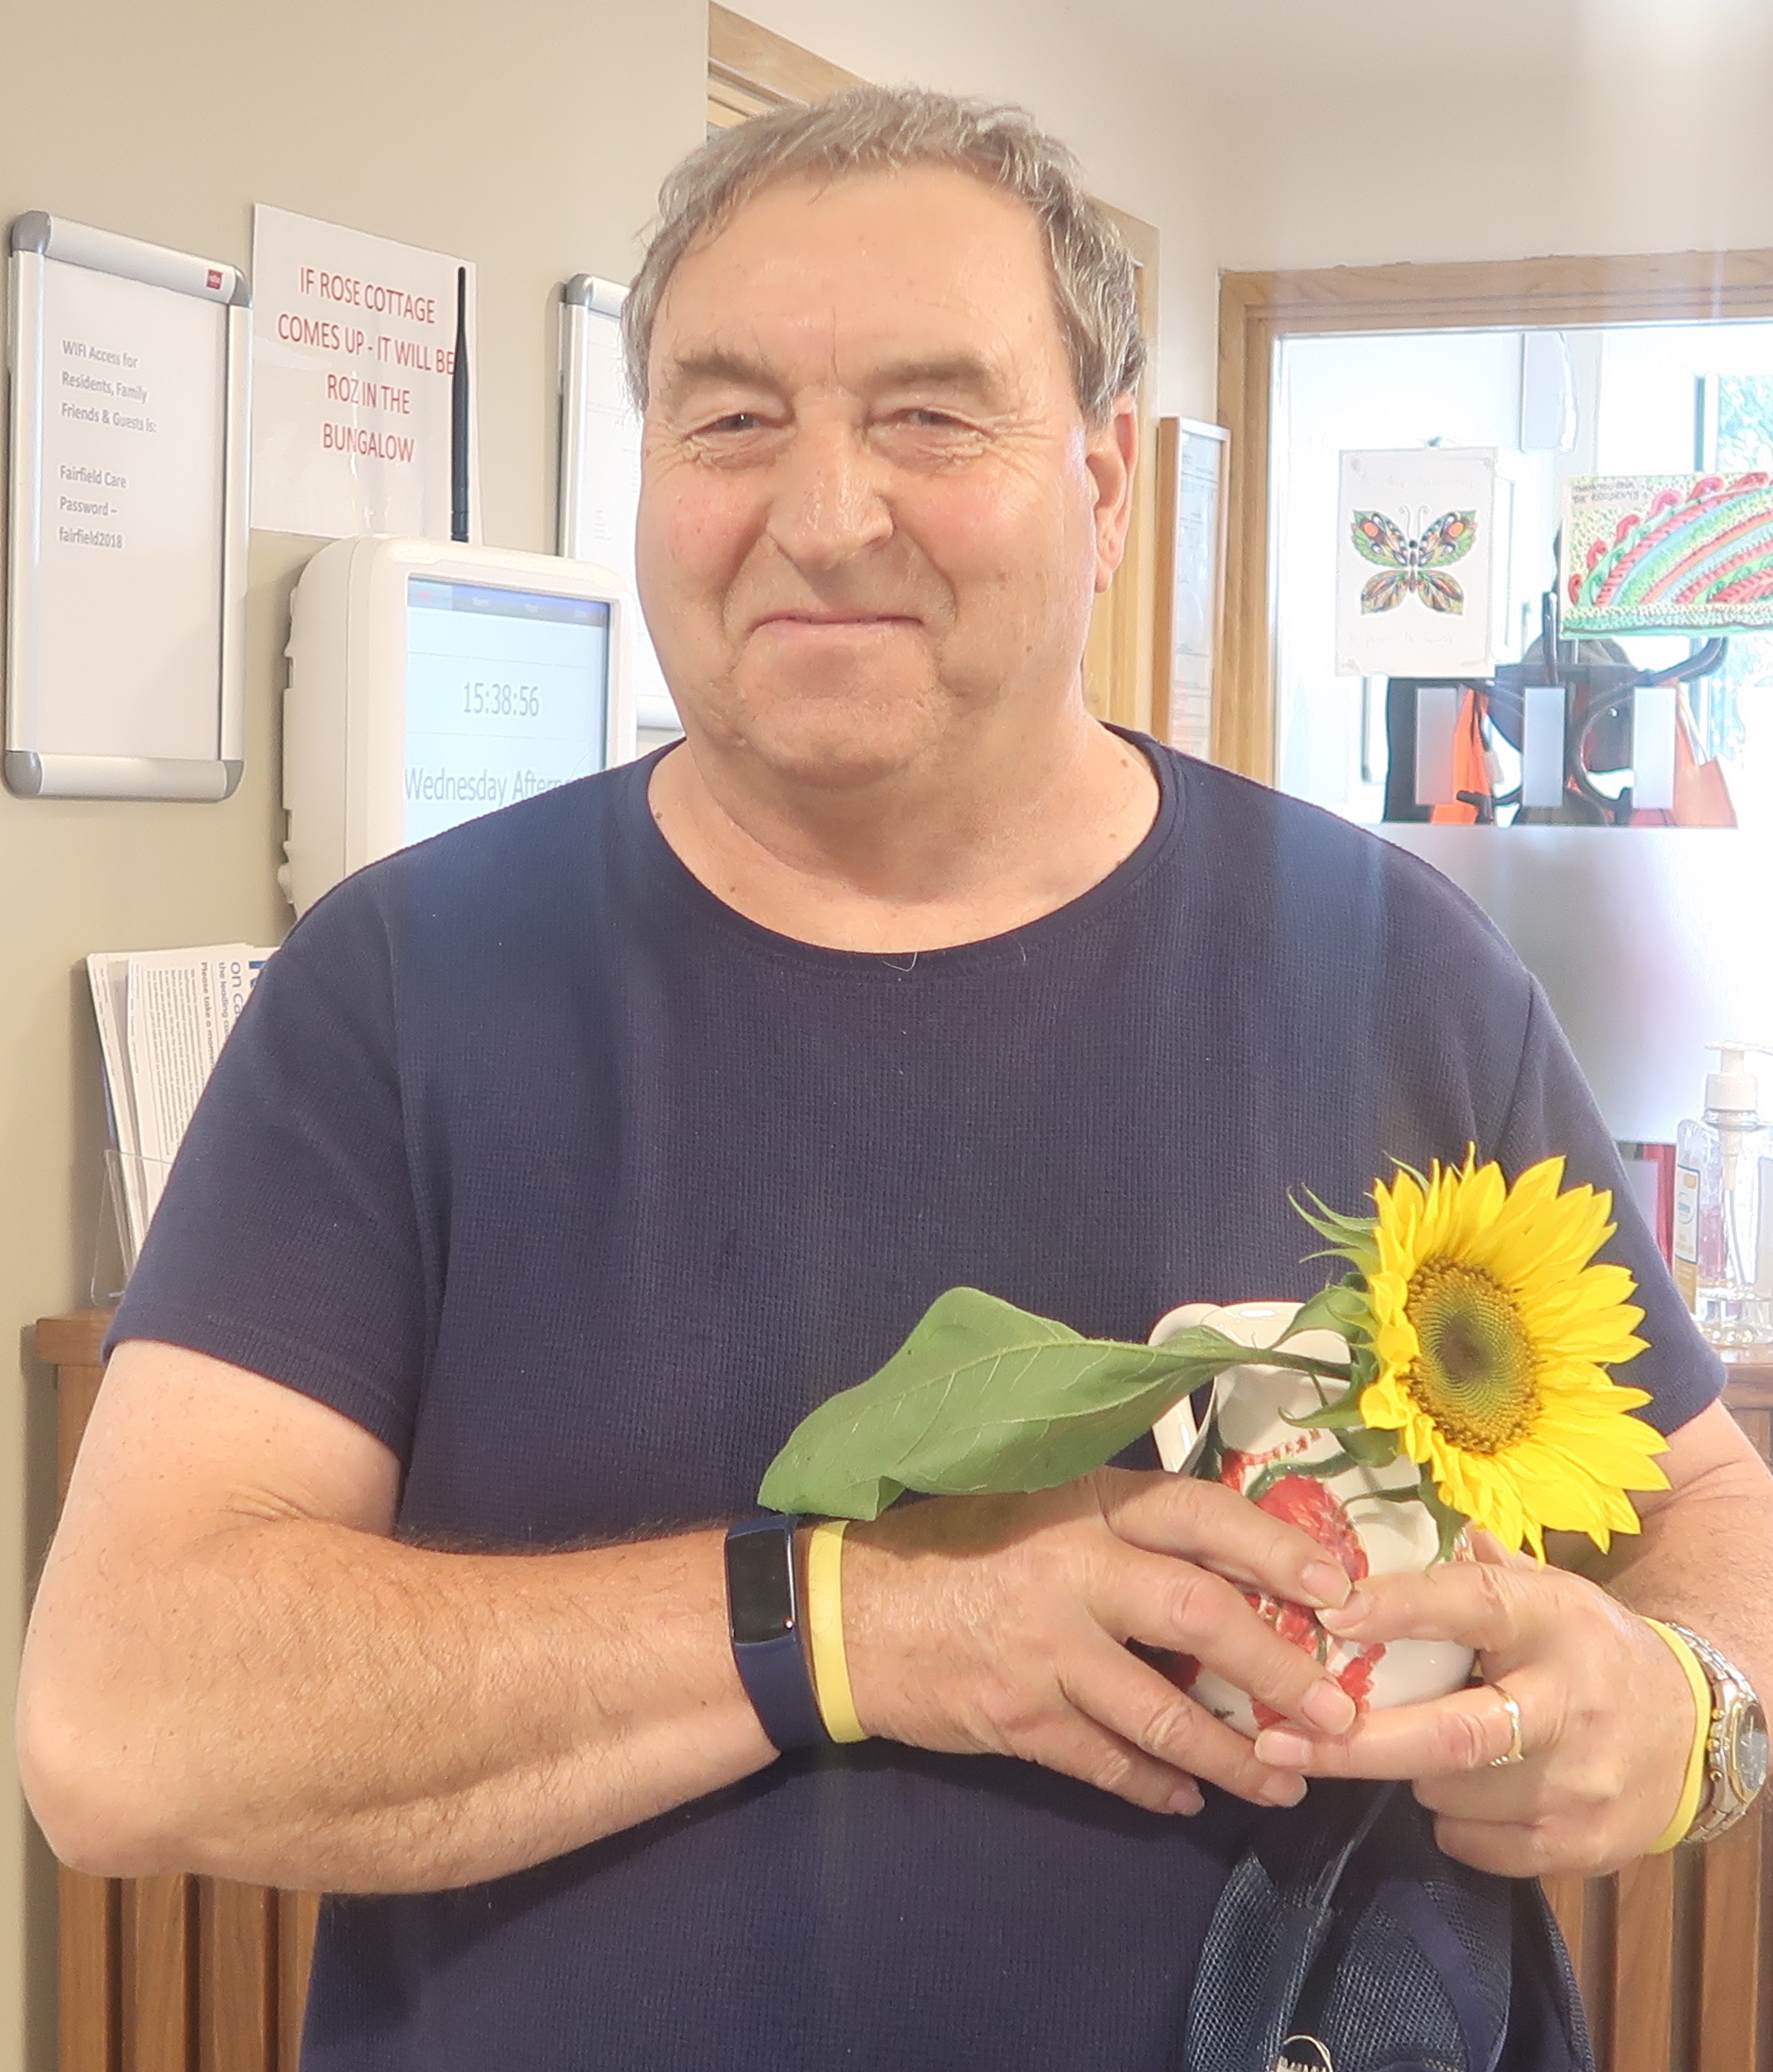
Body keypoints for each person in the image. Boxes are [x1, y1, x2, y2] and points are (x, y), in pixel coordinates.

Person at [19, 88, 1773, 2072]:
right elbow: (122, 1722)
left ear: (1103, 479)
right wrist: (852, 1621)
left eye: (932, 416)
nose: (825, 508)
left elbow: (1703, 1504)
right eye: (731, 416)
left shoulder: (1390, 962)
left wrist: (1692, 1710)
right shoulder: (403, 994)